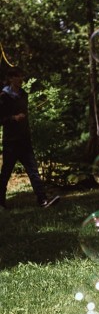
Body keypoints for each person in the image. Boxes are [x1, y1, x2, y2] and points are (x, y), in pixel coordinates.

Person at [0, 66, 60, 209]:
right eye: (17, 76)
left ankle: (43, 200)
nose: (21, 79)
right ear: (10, 79)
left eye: (22, 76)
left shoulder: (24, 94)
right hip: (11, 142)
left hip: (25, 140)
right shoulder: (3, 97)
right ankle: (0, 202)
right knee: (6, 173)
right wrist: (13, 118)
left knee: (33, 171)